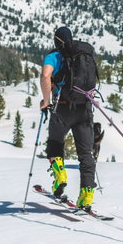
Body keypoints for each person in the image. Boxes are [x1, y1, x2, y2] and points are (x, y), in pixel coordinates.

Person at [40, 26, 97, 212]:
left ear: (56, 40)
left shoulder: (53, 56)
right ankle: (86, 196)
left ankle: (60, 176)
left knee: (55, 143)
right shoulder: (83, 55)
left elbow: (45, 75)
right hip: (84, 109)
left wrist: (46, 101)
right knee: (85, 154)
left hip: (62, 108)